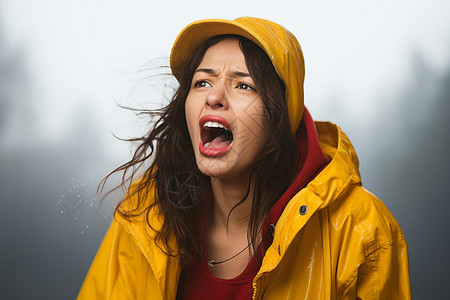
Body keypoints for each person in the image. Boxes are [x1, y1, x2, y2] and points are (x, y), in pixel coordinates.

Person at [78, 17, 411, 299]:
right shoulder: (147, 215)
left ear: (280, 115)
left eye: (244, 86)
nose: (214, 97)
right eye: (202, 81)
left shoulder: (360, 228)